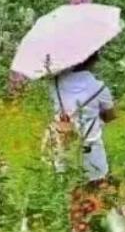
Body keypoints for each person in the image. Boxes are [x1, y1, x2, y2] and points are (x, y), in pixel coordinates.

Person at [48, 51, 117, 184]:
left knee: (64, 193)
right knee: (96, 197)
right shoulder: (99, 88)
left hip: (64, 148)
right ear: (93, 61)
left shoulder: (55, 84)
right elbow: (110, 116)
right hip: (92, 153)